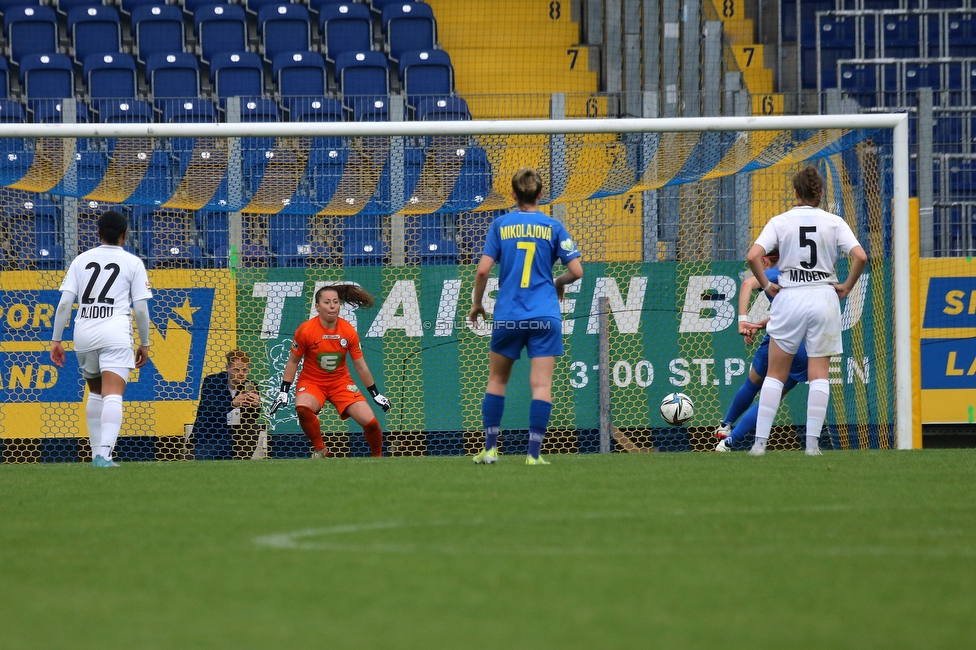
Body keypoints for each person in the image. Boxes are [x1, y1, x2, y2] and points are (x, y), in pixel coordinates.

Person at [745, 165, 867, 457]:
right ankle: (812, 445)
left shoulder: (780, 221)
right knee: (819, 375)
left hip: (790, 298)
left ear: (796, 193)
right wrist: (846, 286)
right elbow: (860, 256)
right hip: (824, 297)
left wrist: (766, 285)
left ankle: (759, 445)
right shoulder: (834, 221)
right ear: (821, 193)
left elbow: (753, 256)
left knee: (774, 374)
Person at [468, 166, 584, 466]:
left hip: (508, 314)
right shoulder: (554, 226)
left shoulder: (500, 225)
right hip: (545, 315)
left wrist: (477, 303)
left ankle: (491, 450)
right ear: (541, 194)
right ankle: (533, 454)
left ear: (513, 194)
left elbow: (482, 270)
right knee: (541, 385)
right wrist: (557, 282)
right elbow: (576, 271)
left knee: (497, 379)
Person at [49, 210, 152, 468]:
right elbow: (140, 309)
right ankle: (104, 455)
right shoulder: (133, 263)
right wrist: (145, 342)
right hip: (115, 332)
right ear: (125, 235)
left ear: (97, 233)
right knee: (113, 394)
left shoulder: (81, 260)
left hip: (84, 332)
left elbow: (64, 304)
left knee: (95, 391)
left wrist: (56, 340)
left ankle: (97, 453)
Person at [271, 284, 391, 458]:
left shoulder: (348, 330)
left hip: (341, 383)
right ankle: (320, 450)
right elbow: (293, 362)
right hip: (312, 382)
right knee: (302, 408)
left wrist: (376, 394)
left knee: (370, 422)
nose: (332, 306)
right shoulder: (305, 330)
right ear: (317, 306)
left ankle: (379, 459)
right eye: (327, 302)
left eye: (335, 302)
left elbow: (360, 365)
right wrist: (283, 392)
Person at [714, 248, 809, 452]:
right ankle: (728, 442)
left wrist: (743, 321)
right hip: (806, 343)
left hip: (780, 339)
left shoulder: (778, 272)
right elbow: (792, 313)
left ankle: (726, 425)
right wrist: (759, 325)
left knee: (754, 383)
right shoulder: (808, 276)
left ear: (765, 261)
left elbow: (747, 283)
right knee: (773, 396)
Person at [192, 349, 263, 460]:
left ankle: (241, 462)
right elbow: (209, 409)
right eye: (236, 370)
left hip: (235, 435)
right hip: (210, 433)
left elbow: (252, 417)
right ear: (227, 368)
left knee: (251, 426)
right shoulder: (212, 381)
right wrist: (233, 403)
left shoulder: (250, 385)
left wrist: (256, 405)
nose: (241, 374)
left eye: (244, 370)